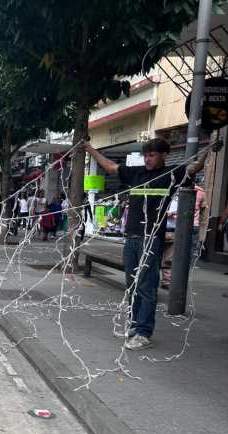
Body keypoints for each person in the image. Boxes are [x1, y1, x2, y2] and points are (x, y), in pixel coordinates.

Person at [84, 137, 215, 350]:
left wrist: (208, 150)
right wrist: (89, 148)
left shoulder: (171, 174)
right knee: (133, 285)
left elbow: (194, 167)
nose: (147, 159)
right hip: (132, 239)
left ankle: (144, 333)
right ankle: (135, 327)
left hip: (151, 239)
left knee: (146, 287)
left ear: (164, 155)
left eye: (152, 155)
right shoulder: (136, 173)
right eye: (145, 155)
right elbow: (109, 166)